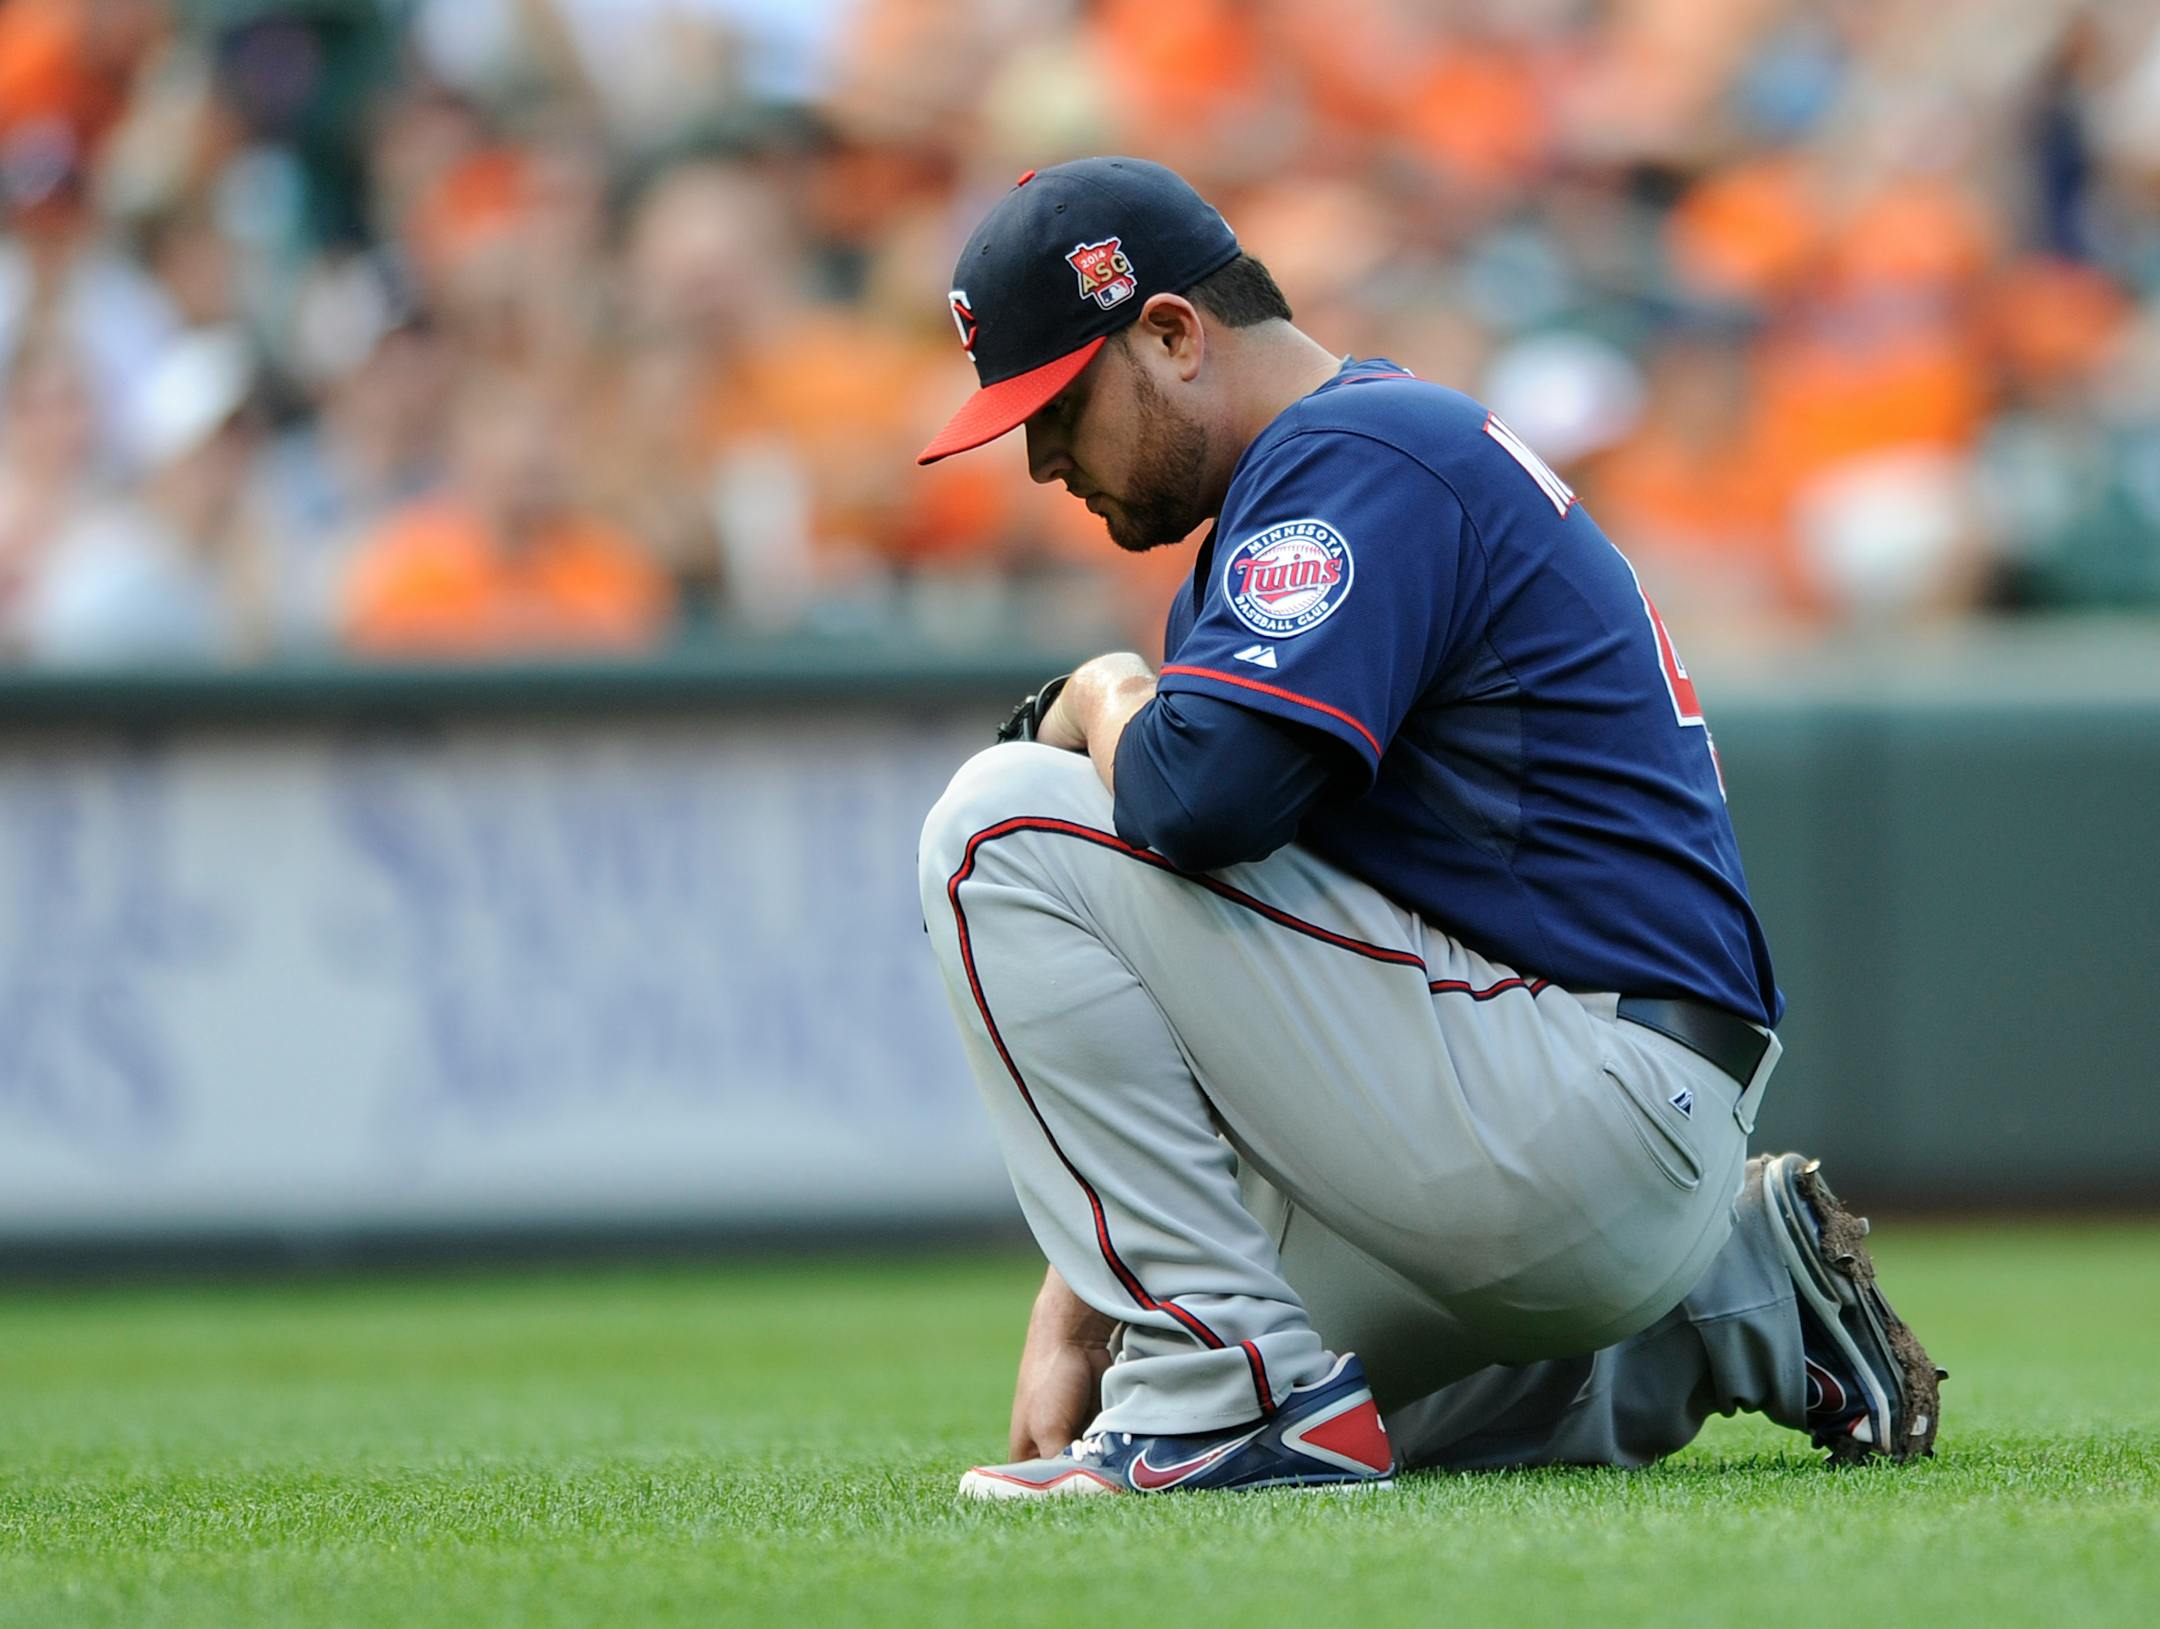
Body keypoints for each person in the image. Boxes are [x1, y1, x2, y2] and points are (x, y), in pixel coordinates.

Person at [912, 158, 1941, 1499]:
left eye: (1057, 404)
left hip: (1576, 1096)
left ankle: (1224, 1402)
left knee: (997, 821)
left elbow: (1191, 803)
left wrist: (1107, 687)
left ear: (1169, 333)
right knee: (1265, 1382)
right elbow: (1241, 928)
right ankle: (1734, 1295)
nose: (1043, 458)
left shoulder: (1355, 457)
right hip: (1595, 1126)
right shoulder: (1360, 458)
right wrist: (1081, 1295)